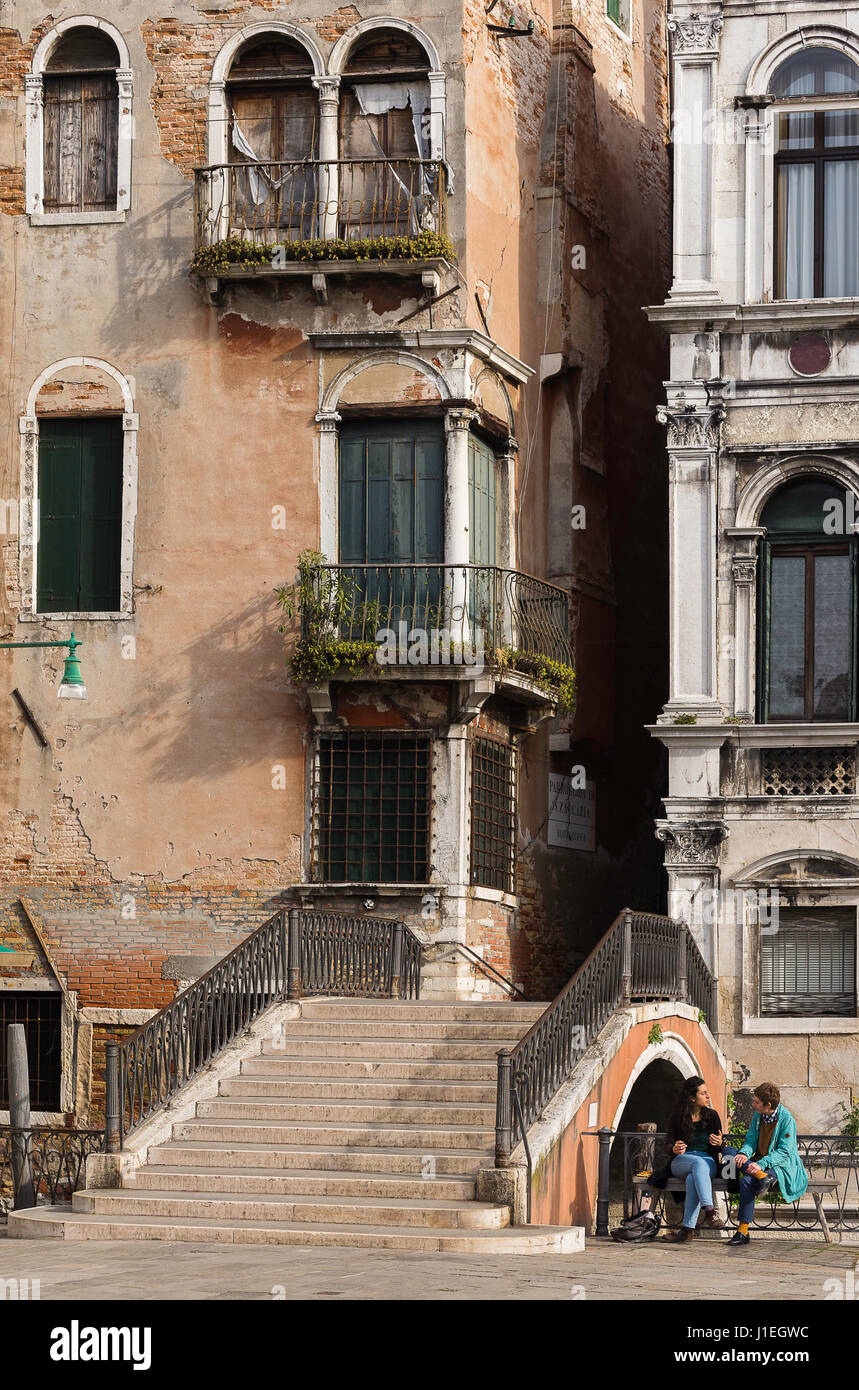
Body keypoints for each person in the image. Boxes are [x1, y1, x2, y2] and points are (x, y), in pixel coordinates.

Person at [720, 1081, 808, 1249]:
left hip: (780, 1166)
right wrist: (743, 1154)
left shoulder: (787, 1120)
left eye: (756, 1102)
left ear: (768, 1105)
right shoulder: (758, 1116)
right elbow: (751, 1140)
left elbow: (784, 1152)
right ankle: (761, 1178)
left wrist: (760, 1164)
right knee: (729, 1152)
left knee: (746, 1181)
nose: (753, 1105)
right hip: (760, 1164)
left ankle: (742, 1232)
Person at [657, 1076, 726, 1243]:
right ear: (692, 1097)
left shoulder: (712, 1116)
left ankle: (687, 1230)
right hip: (682, 1162)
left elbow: (719, 1146)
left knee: (692, 1177)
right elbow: (667, 1145)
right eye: (703, 1093)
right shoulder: (677, 1116)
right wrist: (673, 1148)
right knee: (696, 1164)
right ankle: (709, 1212)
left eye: (707, 1092)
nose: (708, 1095)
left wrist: (720, 1143)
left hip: (707, 1162)